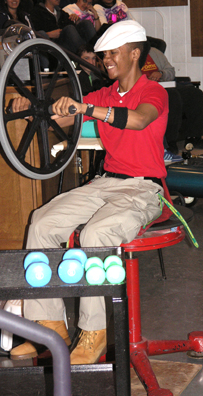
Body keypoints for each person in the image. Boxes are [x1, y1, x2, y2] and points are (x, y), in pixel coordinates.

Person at [10, 20, 168, 364]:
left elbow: (138, 120)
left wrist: (86, 108)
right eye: (103, 55)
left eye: (112, 53)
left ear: (134, 53)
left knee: (98, 233)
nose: (106, 60)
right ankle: (48, 328)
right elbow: (61, 118)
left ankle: (94, 334)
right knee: (41, 223)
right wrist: (35, 109)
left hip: (143, 188)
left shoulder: (153, 91)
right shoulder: (102, 94)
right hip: (106, 182)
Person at [141, 46, 203, 153]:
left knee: (195, 94)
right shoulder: (129, 53)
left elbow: (171, 71)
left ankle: (193, 137)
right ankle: (169, 142)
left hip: (162, 84)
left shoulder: (154, 52)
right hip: (143, 88)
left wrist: (162, 74)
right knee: (172, 96)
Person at [30, 0, 96, 54]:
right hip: (51, 43)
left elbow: (74, 30)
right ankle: (84, 55)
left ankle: (96, 52)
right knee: (69, 28)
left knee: (86, 23)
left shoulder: (62, 13)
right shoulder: (37, 12)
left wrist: (77, 21)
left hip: (67, 43)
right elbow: (33, 32)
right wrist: (49, 34)